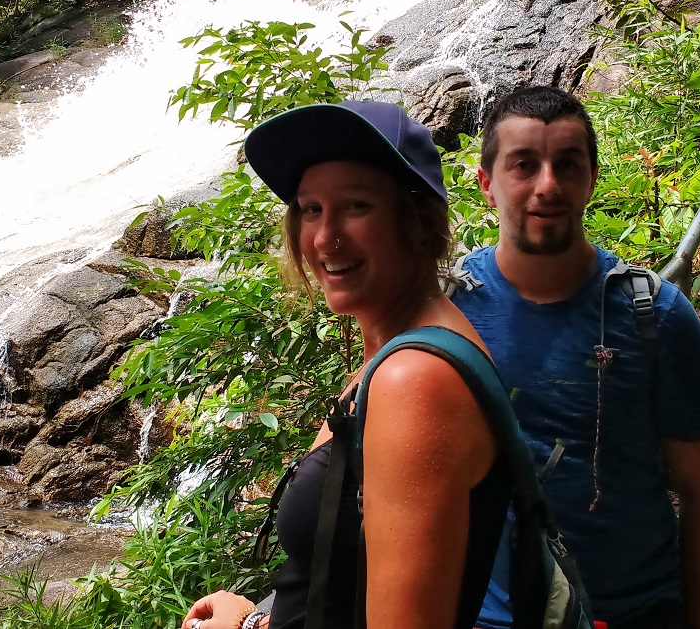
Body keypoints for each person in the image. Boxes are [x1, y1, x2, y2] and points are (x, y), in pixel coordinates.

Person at [181, 100, 511, 629]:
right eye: (311, 209)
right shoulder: (395, 353)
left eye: (355, 206)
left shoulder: (416, 381)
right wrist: (252, 622)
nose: (324, 237)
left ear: (419, 221)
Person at [450, 86, 700, 629]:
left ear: (591, 179)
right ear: (487, 183)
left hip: (631, 611)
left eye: (567, 164)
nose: (547, 185)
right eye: (524, 165)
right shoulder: (448, 308)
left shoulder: (658, 317)